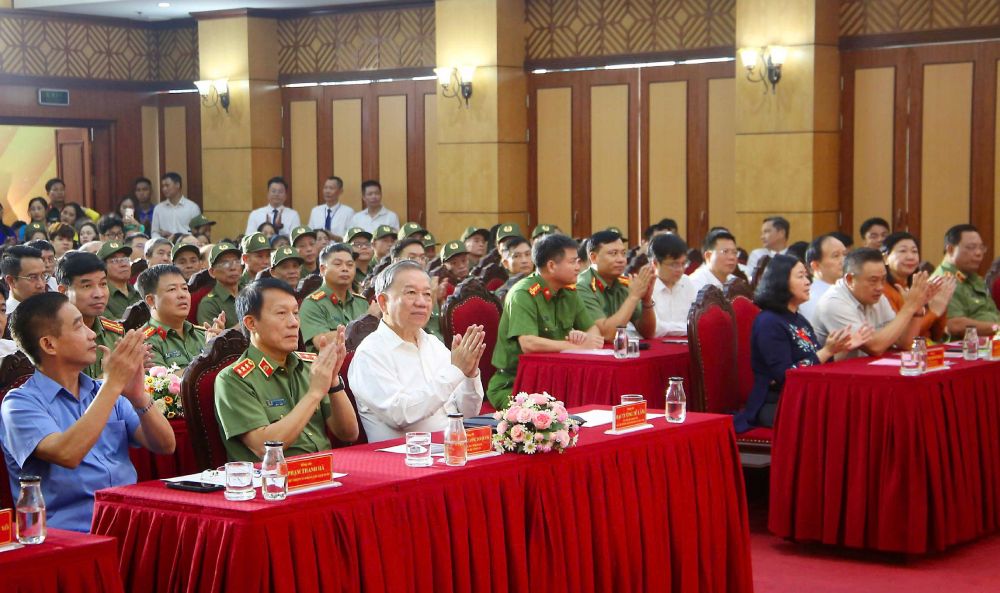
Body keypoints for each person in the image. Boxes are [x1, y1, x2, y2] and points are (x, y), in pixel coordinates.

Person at [0, 292, 175, 532]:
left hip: (131, 521)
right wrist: (114, 384)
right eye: (78, 326)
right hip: (71, 536)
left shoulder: (102, 391)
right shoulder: (20, 404)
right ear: (49, 344)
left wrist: (138, 396)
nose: (92, 334)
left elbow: (166, 446)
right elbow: (67, 453)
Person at [214, 279, 359, 461]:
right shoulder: (233, 379)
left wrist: (333, 382)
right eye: (281, 313)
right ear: (251, 323)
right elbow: (265, 449)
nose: (294, 323)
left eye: (296, 313)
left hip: (323, 471)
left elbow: (349, 433)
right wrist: (314, 393)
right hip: (273, 481)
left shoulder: (310, 366)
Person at [349, 260, 485, 443]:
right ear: (383, 302)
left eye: (427, 294)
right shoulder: (370, 353)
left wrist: (469, 375)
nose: (422, 302)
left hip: (449, 448)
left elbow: (466, 413)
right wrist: (455, 371)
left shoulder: (433, 344)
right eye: (411, 293)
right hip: (402, 459)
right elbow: (400, 415)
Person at [733, 255, 871, 432]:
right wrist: (827, 350)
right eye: (800, 276)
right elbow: (786, 375)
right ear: (781, 282)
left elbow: (818, 365)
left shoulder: (799, 320)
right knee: (843, 417)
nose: (808, 282)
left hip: (806, 398)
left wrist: (842, 348)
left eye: (807, 276)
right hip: (778, 403)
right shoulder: (768, 322)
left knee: (856, 407)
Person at [487, 234, 603, 408]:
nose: (578, 267)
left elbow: (593, 331)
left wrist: (584, 338)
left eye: (578, 261)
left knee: (593, 399)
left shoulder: (569, 292)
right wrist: (575, 346)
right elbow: (529, 344)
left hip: (557, 381)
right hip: (516, 386)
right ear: (551, 265)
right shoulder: (524, 294)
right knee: (552, 416)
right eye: (572, 262)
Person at [814, 248, 932, 358]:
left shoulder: (877, 296)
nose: (880, 287)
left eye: (883, 280)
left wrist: (917, 309)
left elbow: (905, 343)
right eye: (873, 280)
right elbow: (875, 347)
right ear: (850, 280)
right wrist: (909, 307)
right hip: (838, 377)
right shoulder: (833, 303)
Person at [138, 264, 224, 369]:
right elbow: (163, 382)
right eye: (172, 289)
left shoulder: (203, 334)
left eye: (184, 288)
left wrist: (223, 348)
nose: (182, 295)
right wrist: (208, 356)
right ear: (151, 300)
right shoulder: (143, 342)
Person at [576, 229, 656, 340]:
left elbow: (648, 333)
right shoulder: (583, 286)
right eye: (613, 254)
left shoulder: (625, 283)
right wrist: (633, 297)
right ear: (593, 257)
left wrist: (646, 300)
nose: (621, 260)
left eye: (623, 253)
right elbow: (606, 335)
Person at [56, 252, 125, 378]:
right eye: (87, 286)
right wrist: (111, 376)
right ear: (63, 291)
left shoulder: (115, 333)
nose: (99, 294)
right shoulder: (55, 338)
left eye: (103, 284)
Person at [882, 232, 955, 341]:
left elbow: (936, 335)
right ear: (885, 258)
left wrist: (941, 305)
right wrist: (934, 312)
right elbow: (901, 336)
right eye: (903, 251)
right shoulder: (883, 290)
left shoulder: (921, 286)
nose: (910, 257)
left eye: (914, 251)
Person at [933, 223, 1000, 336]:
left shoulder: (973, 278)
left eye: (981, 248)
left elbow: (991, 313)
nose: (979, 253)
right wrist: (996, 328)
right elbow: (955, 325)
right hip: (963, 348)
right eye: (971, 248)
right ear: (950, 249)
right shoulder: (943, 280)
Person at [300, 243, 370, 350]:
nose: (345, 269)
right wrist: (366, 323)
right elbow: (322, 342)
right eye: (338, 264)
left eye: (350, 264)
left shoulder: (362, 302)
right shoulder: (312, 304)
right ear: (323, 269)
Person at [647, 233, 697, 336]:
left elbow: (697, 321)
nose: (680, 269)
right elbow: (655, 328)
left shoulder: (687, 282)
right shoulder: (645, 285)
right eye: (674, 264)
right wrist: (688, 328)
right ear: (655, 263)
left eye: (683, 263)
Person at [799, 234, 847, 324]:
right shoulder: (809, 297)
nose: (843, 260)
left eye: (845, 254)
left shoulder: (849, 288)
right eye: (836, 256)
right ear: (816, 265)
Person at [197, 242, 241, 329]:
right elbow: (212, 339)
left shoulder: (250, 292)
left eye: (236, 261)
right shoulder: (209, 304)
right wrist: (246, 323)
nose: (233, 267)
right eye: (225, 263)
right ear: (212, 272)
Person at [98, 241, 140, 320]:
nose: (123, 264)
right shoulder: (101, 296)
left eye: (125, 259)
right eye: (115, 261)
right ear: (103, 267)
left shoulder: (139, 293)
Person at [151, 172, 201, 239]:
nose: (164, 189)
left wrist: (175, 237)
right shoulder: (159, 208)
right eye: (163, 186)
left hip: (186, 245)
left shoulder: (192, 208)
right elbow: (154, 232)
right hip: (165, 245)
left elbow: (197, 233)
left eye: (167, 185)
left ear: (177, 185)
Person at [2, 245, 46, 314]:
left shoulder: (52, 312)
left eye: (43, 275)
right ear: (11, 281)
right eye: (33, 277)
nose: (41, 285)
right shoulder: (4, 319)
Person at [496, 235, 534, 301]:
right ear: (506, 263)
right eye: (516, 256)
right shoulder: (503, 294)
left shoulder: (543, 284)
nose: (524, 260)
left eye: (528, 254)